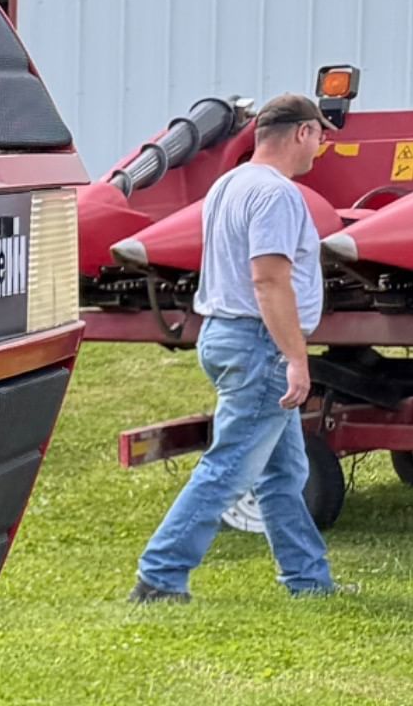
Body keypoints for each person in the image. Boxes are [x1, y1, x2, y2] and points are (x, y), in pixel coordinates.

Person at [135, 92, 337, 601]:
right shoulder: (278, 194)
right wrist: (295, 357)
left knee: (284, 471)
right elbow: (269, 280)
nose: (322, 146)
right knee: (229, 468)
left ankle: (309, 581)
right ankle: (160, 577)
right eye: (321, 134)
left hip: (226, 333)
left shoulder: (229, 184)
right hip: (259, 345)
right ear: (301, 132)